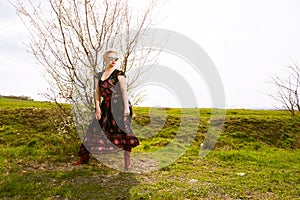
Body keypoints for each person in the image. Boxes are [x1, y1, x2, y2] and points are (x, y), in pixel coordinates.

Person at [73, 50, 139, 170]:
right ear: (105, 59)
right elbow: (97, 93)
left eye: (116, 59)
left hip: (119, 105)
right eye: (111, 58)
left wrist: (126, 108)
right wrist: (97, 108)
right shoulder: (98, 76)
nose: (113, 61)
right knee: (93, 128)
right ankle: (84, 158)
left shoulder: (119, 74)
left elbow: (124, 91)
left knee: (124, 132)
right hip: (105, 106)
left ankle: (127, 162)